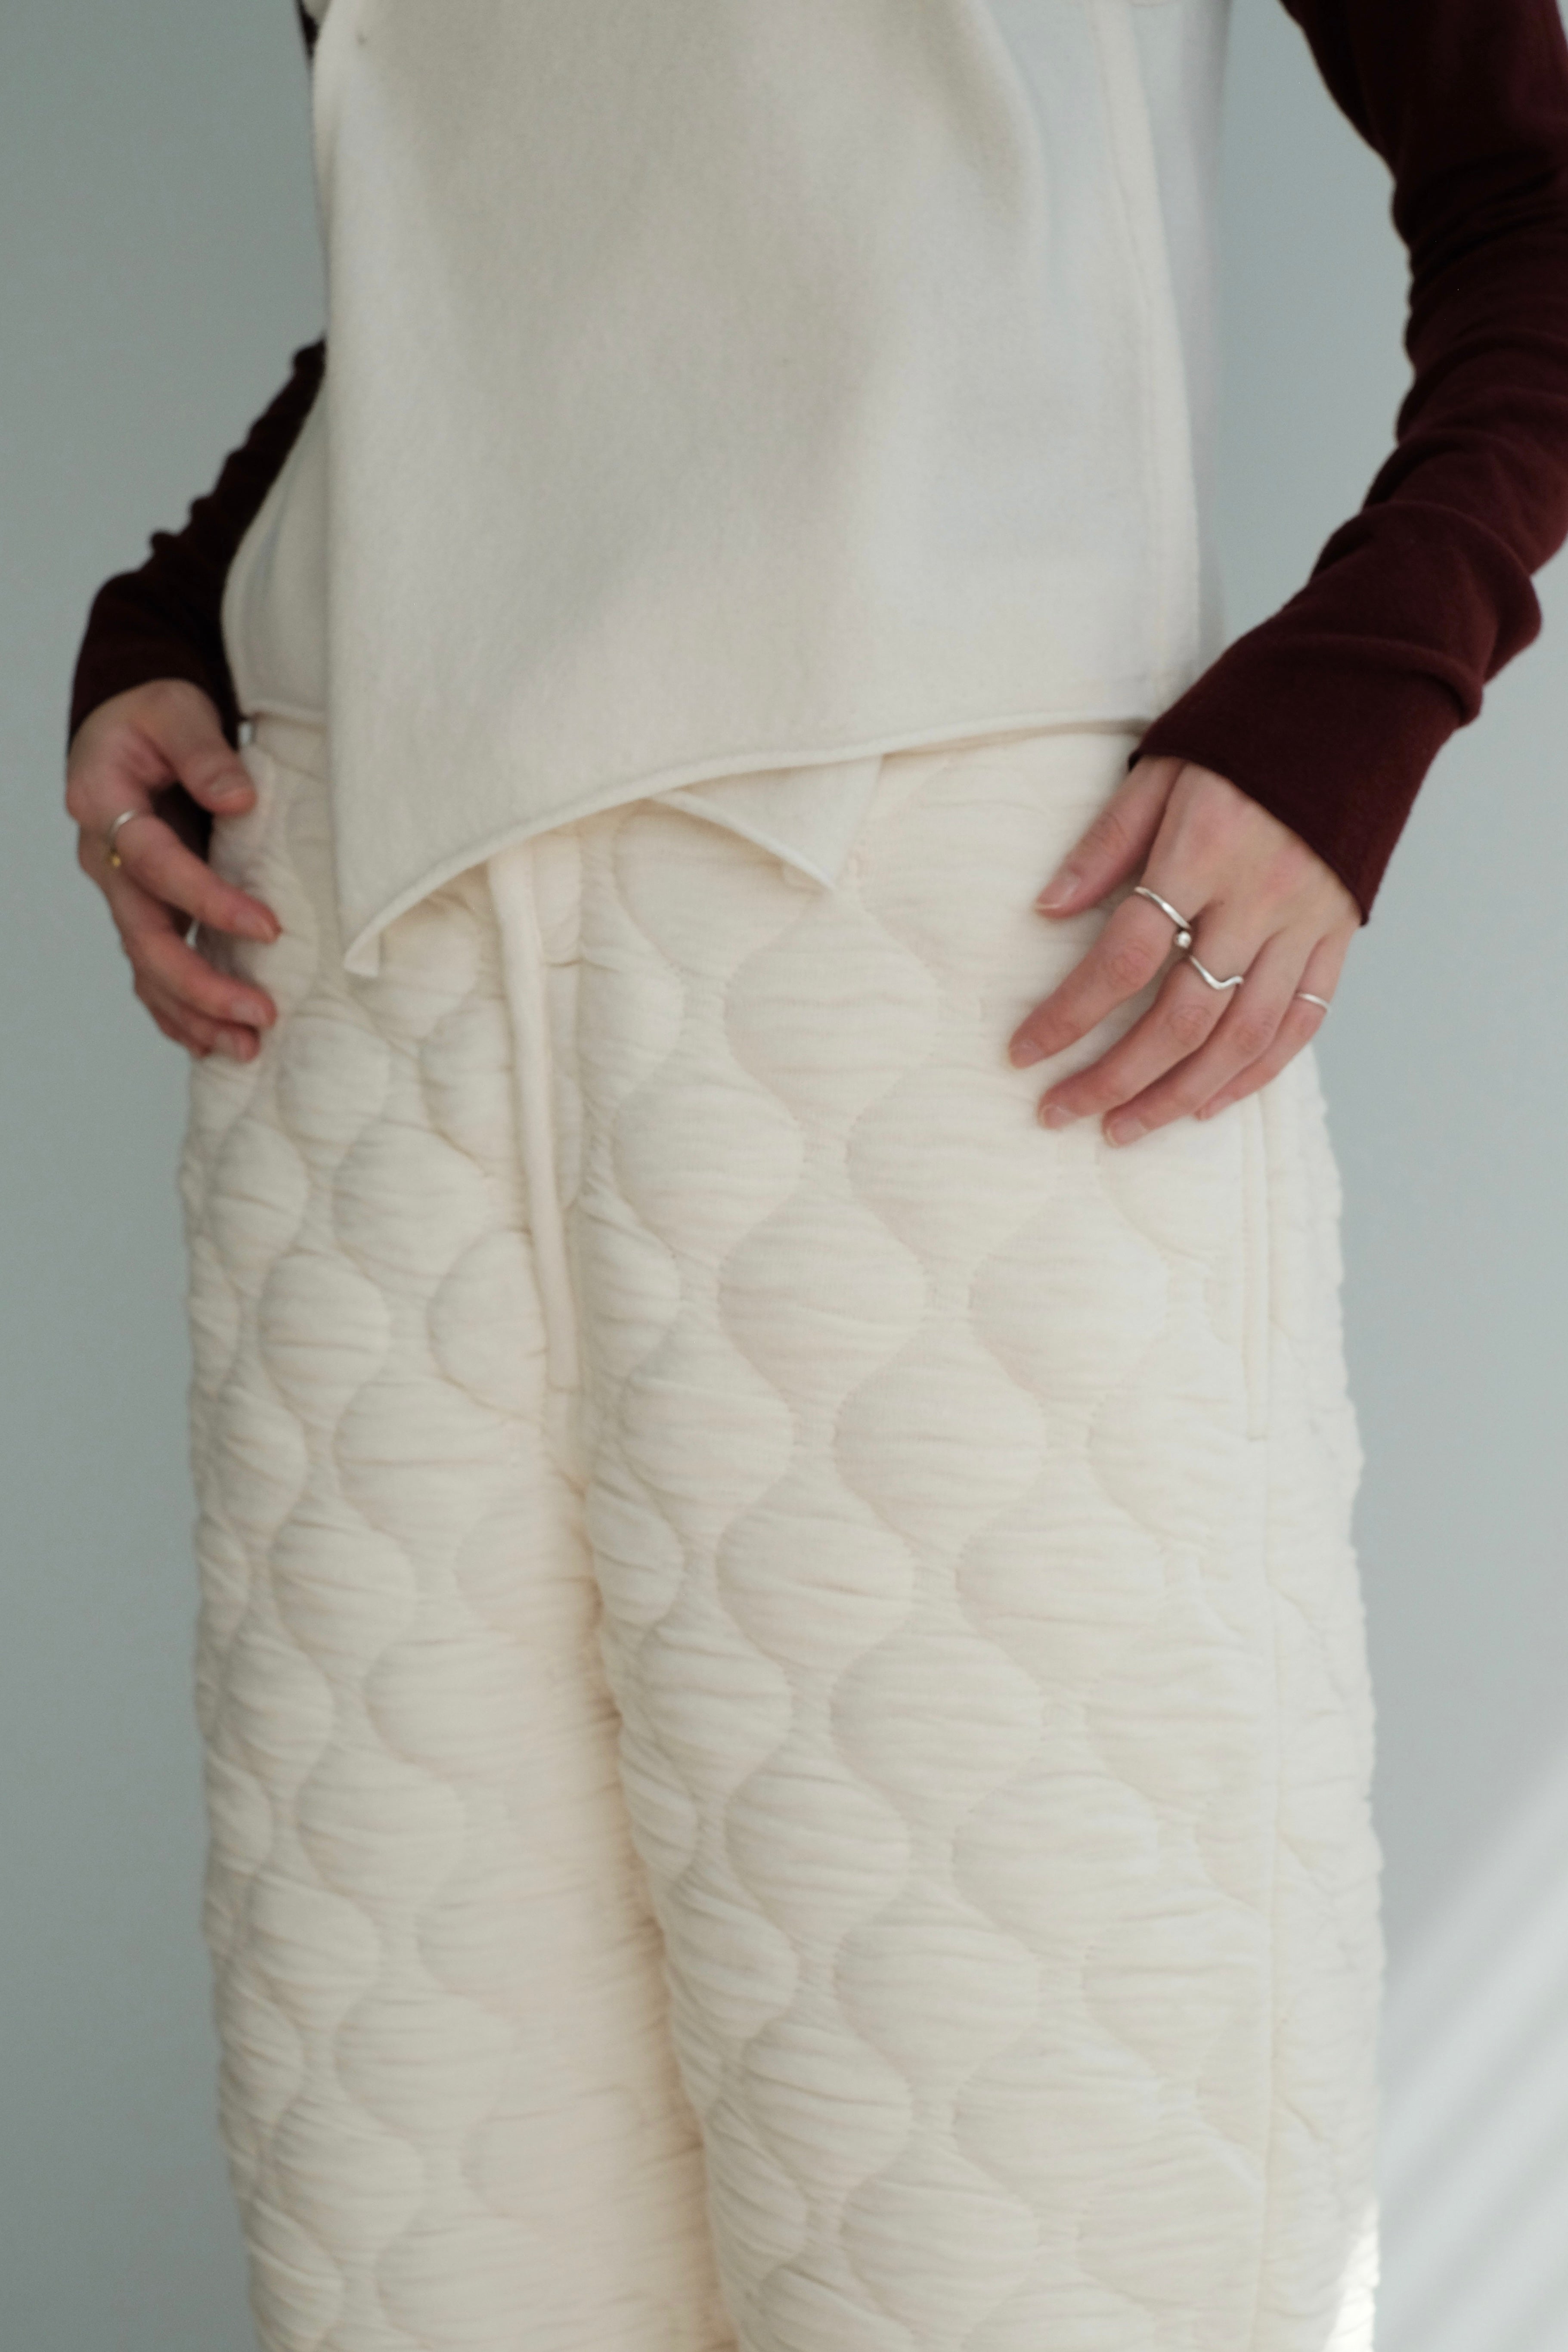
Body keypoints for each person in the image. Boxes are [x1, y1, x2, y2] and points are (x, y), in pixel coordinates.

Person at [60, 3, 1568, 2348]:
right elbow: (522, 248)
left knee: (1047, 2216)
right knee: (422, 2225)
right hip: (364, 977)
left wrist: (1369, 687)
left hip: (949, 974)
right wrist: (184, 603)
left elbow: (1535, 199)